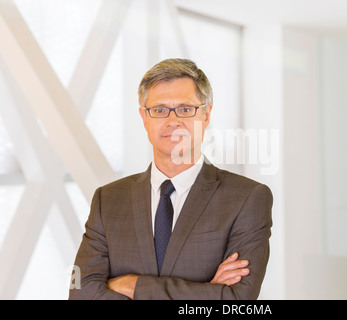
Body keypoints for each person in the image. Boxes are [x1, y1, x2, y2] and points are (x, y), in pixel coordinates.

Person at [68, 58, 273, 300]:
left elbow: (236, 300)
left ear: (206, 115)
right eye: (160, 110)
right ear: (144, 118)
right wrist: (206, 291)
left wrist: (134, 287)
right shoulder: (108, 199)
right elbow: (81, 294)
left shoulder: (247, 198)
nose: (172, 121)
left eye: (186, 109)